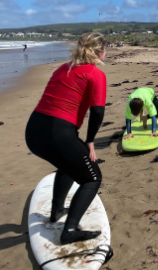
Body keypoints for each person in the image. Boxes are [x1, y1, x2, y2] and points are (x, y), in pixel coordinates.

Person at [25, 32, 107, 244]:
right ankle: (69, 230)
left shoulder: (64, 68)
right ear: (100, 52)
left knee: (69, 164)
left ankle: (57, 210)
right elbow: (98, 112)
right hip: (57, 133)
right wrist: (90, 141)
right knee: (92, 178)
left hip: (34, 131)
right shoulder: (95, 73)